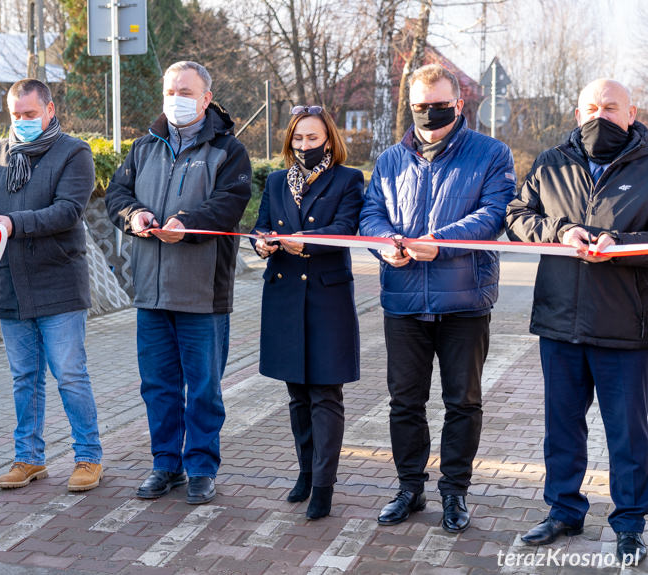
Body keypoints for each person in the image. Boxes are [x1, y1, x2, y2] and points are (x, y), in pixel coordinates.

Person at [358, 63, 516, 533]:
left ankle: (455, 492)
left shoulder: (491, 153)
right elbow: (371, 212)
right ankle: (409, 488)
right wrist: (384, 243)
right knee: (404, 402)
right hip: (403, 300)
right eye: (420, 106)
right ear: (410, 106)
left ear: (459, 103)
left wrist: (439, 241)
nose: (429, 113)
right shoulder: (389, 159)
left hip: (464, 302)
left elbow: (494, 214)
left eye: (438, 104)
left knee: (462, 402)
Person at [506, 78, 648, 563]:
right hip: (559, 322)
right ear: (576, 112)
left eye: (611, 107)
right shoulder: (551, 162)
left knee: (628, 434)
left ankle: (630, 523)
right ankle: (564, 511)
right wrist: (561, 230)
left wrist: (619, 246)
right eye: (591, 106)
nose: (599, 115)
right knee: (562, 427)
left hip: (626, 327)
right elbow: (517, 215)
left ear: (631, 113)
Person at [105, 61, 251, 505]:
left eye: (185, 91)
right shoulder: (143, 146)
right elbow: (117, 195)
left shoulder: (229, 151)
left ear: (206, 98)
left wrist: (184, 225)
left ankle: (202, 467)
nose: (176, 99)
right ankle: (165, 465)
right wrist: (135, 217)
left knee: (204, 387)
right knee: (158, 386)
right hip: (150, 291)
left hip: (202, 294)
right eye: (170, 90)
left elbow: (229, 205)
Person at [0, 78, 103, 492]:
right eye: (15, 115)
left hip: (59, 282)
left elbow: (68, 212)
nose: (21, 122)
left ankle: (88, 456)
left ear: (49, 110)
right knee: (25, 377)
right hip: (12, 284)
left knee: (70, 374)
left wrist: (13, 222)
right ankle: (28, 458)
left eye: (29, 114)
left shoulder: (74, 152)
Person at [251, 106, 362, 520]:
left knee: (325, 395)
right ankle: (304, 473)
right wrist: (260, 243)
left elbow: (347, 228)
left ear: (329, 140)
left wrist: (307, 241)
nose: (304, 146)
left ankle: (324, 485)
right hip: (283, 297)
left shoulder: (348, 179)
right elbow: (260, 226)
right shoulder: (278, 180)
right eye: (297, 139)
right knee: (297, 393)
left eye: (312, 139)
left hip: (326, 299)